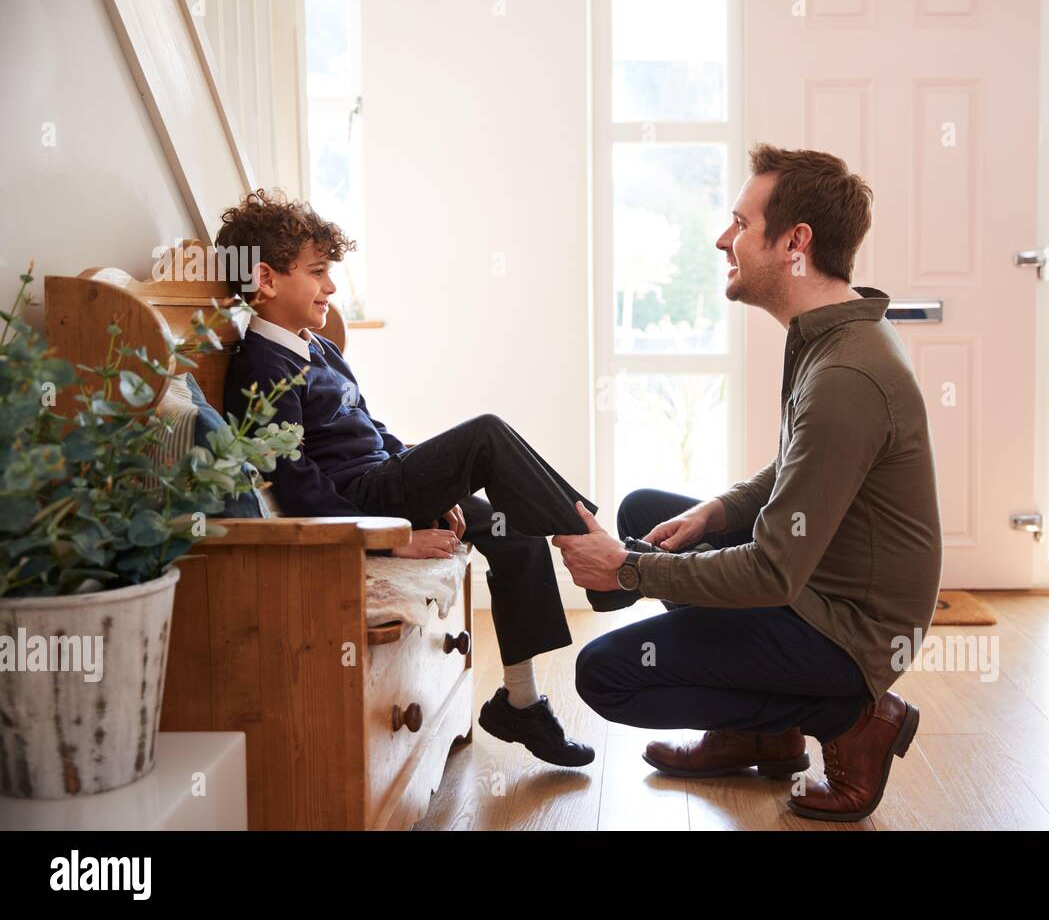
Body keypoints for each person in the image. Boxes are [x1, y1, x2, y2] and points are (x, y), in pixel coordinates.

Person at [554, 145, 943, 821]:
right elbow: (798, 465)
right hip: (820, 583)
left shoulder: (845, 377)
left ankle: (850, 715)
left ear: (795, 243)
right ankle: (762, 729)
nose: (721, 239)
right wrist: (717, 511)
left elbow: (771, 574)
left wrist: (628, 571)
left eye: (739, 223)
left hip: (848, 631)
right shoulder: (834, 333)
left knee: (606, 675)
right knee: (651, 510)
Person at [218, 189, 598, 767]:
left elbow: (372, 428)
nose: (330, 288)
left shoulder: (316, 345)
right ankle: (594, 543)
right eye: (317, 273)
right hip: (363, 503)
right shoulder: (260, 369)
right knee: (486, 434)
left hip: (385, 481)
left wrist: (438, 489)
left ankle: (522, 703)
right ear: (265, 280)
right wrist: (393, 534)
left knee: (513, 527)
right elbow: (297, 488)